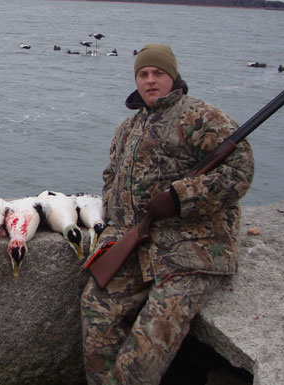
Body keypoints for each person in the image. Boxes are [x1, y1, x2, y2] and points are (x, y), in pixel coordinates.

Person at [81, 44, 255, 385]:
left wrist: (179, 198)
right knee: (95, 307)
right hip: (138, 244)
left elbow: (240, 171)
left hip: (193, 250)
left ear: (172, 76)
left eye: (158, 73)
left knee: (147, 343)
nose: (150, 81)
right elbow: (110, 178)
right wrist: (119, 233)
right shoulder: (127, 127)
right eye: (143, 74)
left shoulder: (201, 117)